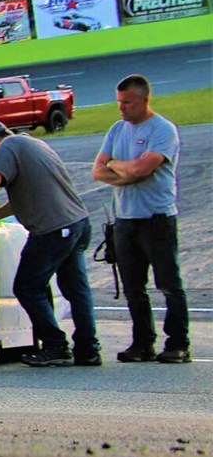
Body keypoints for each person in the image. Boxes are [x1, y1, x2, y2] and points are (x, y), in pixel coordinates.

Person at [0, 121, 99, 367]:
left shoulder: (9, 145)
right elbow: (23, 197)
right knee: (77, 289)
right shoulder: (33, 144)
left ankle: (55, 345)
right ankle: (88, 348)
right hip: (77, 224)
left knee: (28, 287)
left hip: (52, 230)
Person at [91, 74, 188, 364]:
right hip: (125, 219)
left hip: (156, 218)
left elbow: (141, 170)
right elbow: (98, 170)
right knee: (133, 287)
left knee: (168, 283)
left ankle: (178, 343)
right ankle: (143, 343)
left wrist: (118, 167)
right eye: (119, 102)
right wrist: (123, 170)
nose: (121, 108)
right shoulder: (117, 129)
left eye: (127, 103)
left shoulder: (163, 130)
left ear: (145, 100)